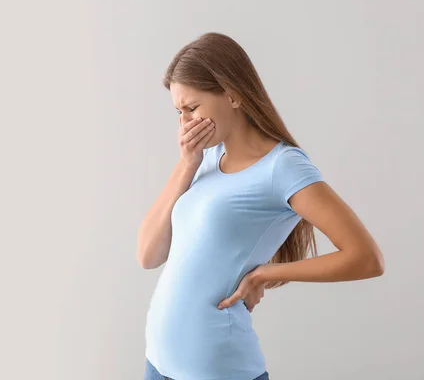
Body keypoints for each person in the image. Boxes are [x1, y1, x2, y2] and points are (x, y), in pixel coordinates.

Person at [136, 32, 385, 380]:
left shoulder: (283, 167)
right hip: (157, 363)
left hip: (217, 370)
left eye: (192, 108)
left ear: (233, 95)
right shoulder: (206, 157)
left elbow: (366, 257)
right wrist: (186, 164)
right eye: (178, 111)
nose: (184, 124)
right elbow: (148, 255)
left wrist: (267, 273)